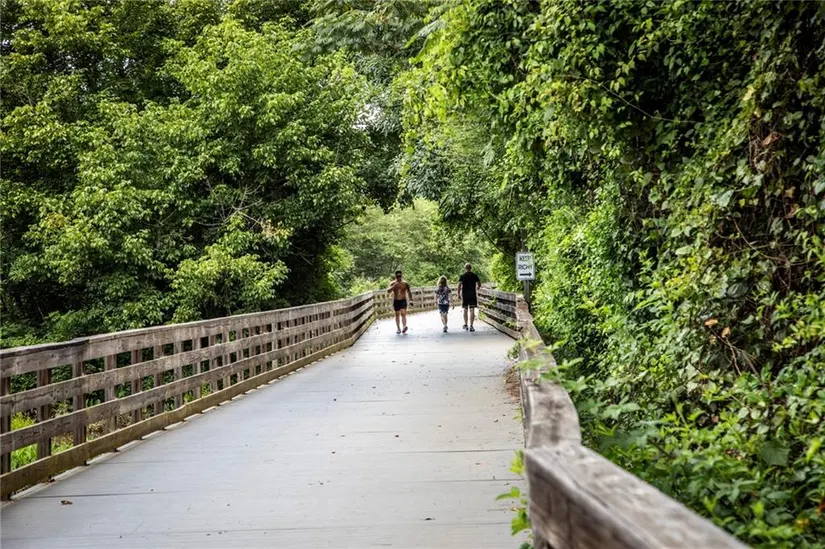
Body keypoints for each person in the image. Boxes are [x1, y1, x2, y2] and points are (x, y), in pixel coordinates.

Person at [457, 263, 481, 332]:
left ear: (465, 268)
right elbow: (479, 283)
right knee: (472, 309)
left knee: (465, 309)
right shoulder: (474, 275)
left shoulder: (462, 276)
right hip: (472, 294)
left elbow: (459, 285)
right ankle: (471, 326)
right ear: (471, 268)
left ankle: (466, 324)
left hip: (465, 295)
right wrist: (478, 287)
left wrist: (458, 293)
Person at [388, 270, 413, 334]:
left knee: (403, 313)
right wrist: (394, 286)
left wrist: (411, 300)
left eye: (400, 276)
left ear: (401, 275)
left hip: (403, 300)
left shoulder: (405, 283)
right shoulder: (392, 283)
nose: (399, 277)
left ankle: (404, 327)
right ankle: (398, 328)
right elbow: (388, 291)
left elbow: (409, 292)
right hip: (396, 300)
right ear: (395, 276)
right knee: (397, 314)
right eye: (397, 276)